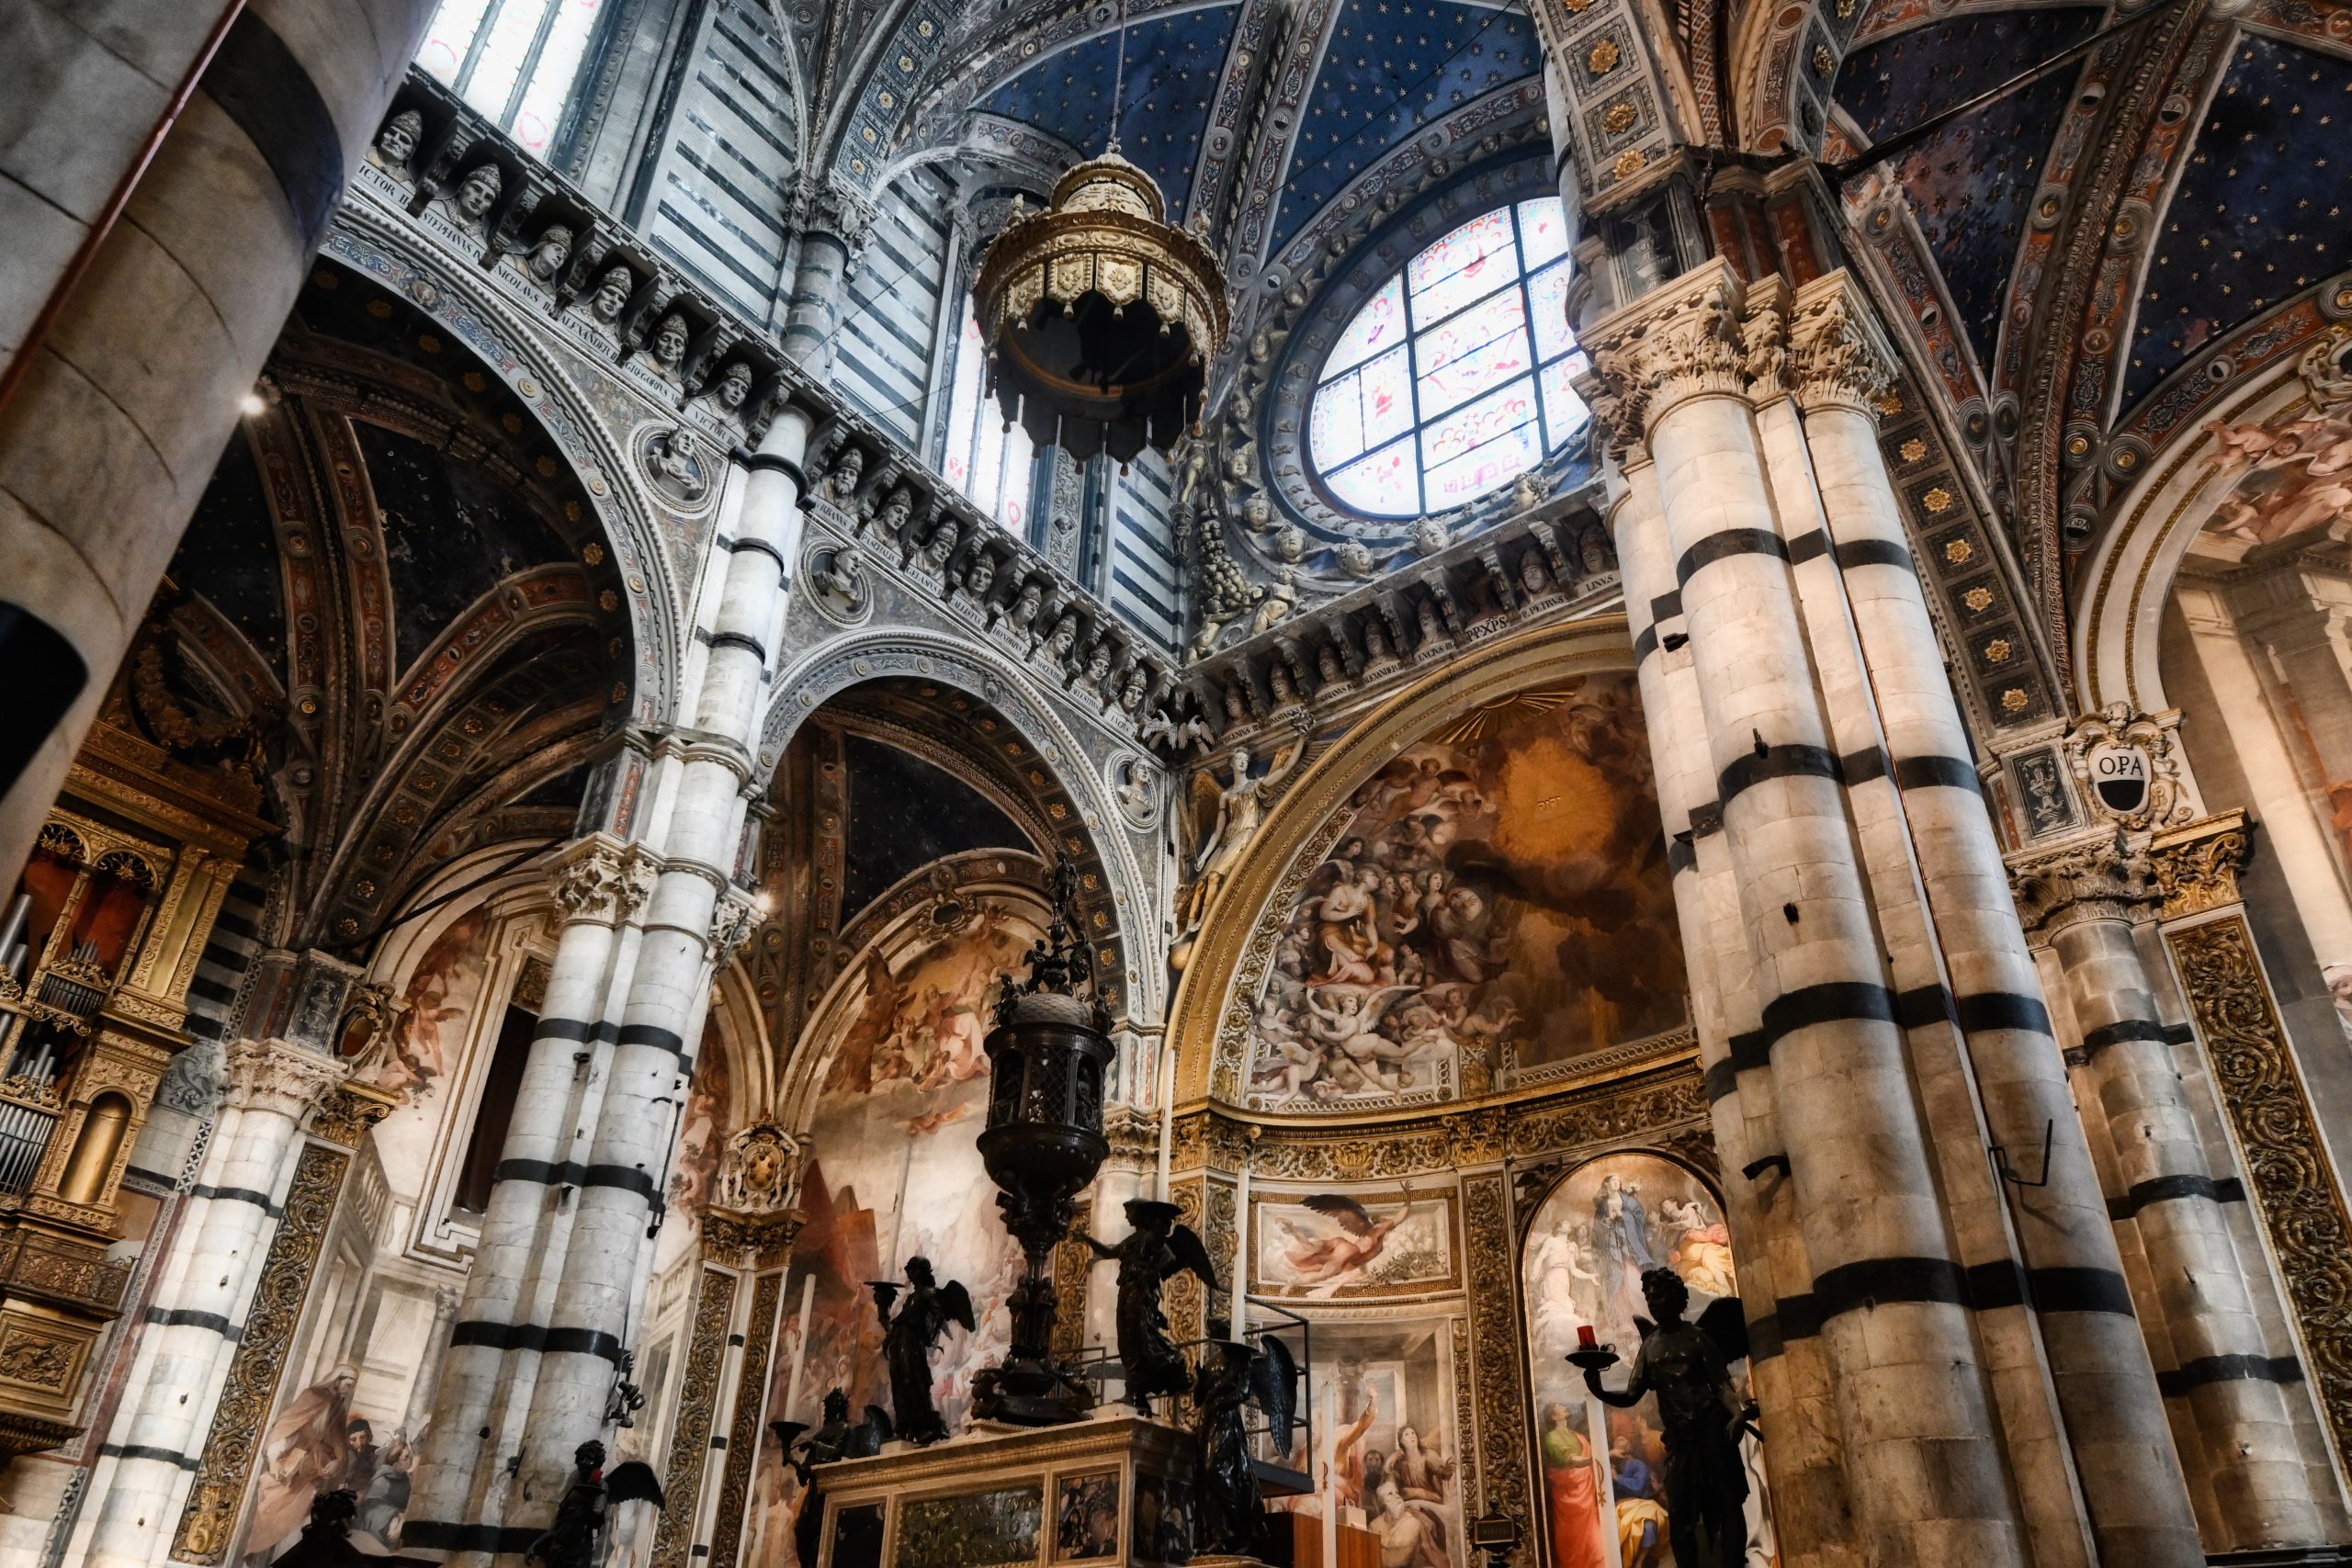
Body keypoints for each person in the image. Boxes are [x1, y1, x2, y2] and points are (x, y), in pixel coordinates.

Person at [1540, 1404, 1607, 1568]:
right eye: (1559, 1406)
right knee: (1575, 1541)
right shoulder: (1552, 1437)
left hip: (1588, 1493)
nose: (1564, 1407)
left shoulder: (1576, 1435)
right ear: (1554, 1417)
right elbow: (1571, 1460)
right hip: (1569, 1496)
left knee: (1596, 1542)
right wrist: (1600, 1457)